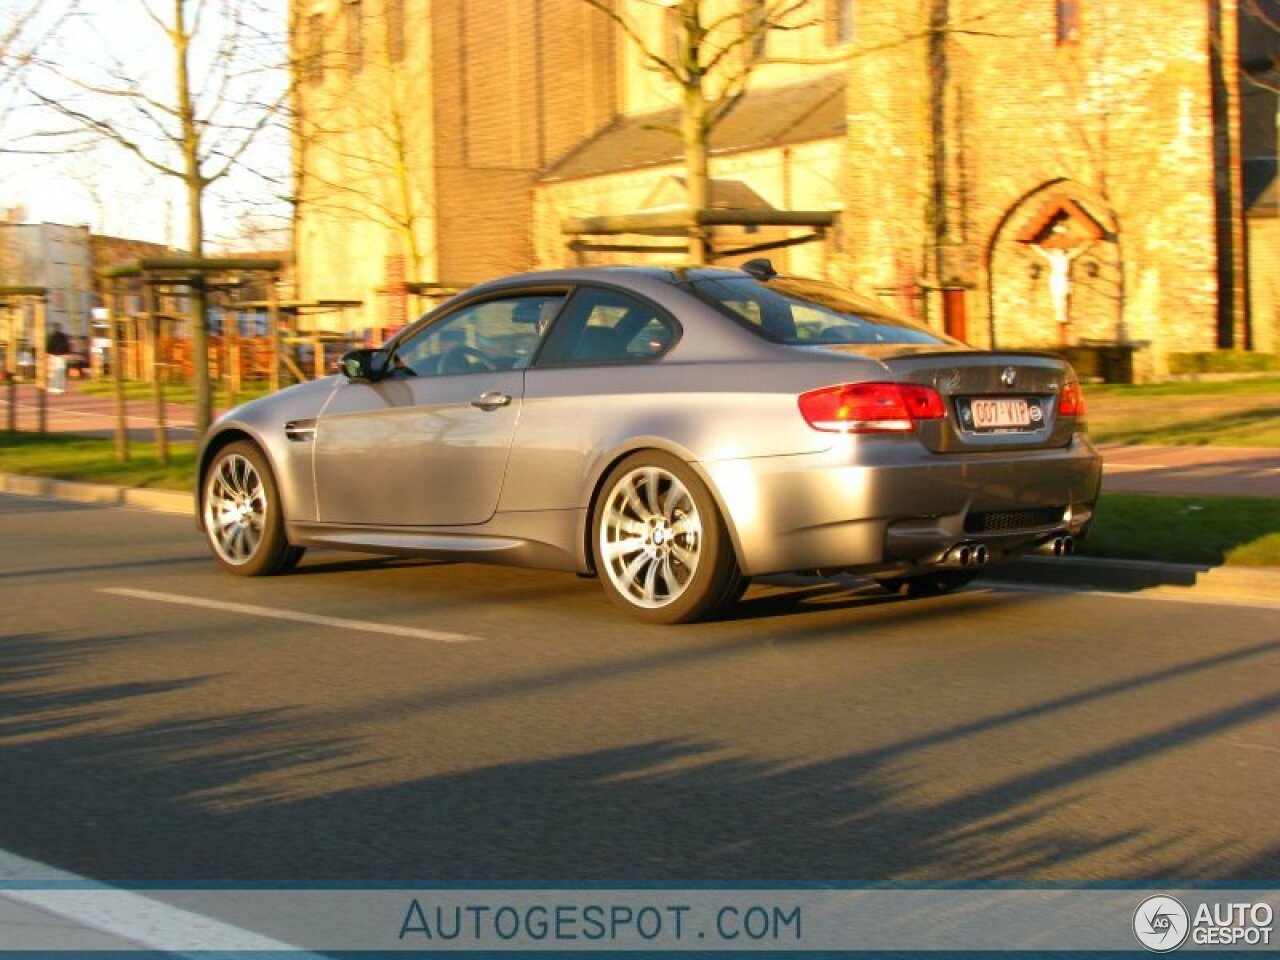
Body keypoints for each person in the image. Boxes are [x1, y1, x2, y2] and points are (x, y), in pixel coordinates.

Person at [46, 323, 71, 394]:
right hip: (61, 357)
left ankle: (54, 387)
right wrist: (67, 354)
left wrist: (49, 355)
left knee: (55, 372)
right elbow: (66, 346)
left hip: (55, 356)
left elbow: (49, 347)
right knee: (60, 372)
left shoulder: (52, 337)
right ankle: (59, 387)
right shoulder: (63, 337)